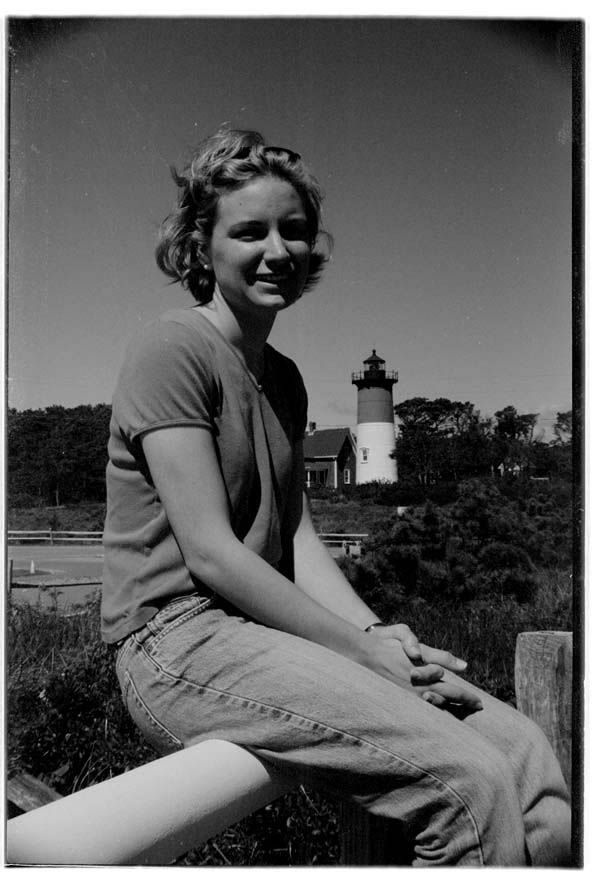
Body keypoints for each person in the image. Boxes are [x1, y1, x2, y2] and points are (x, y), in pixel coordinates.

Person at [101, 127, 570, 866]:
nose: (277, 251)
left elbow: (297, 538)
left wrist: (379, 634)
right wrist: (361, 654)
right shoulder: (172, 348)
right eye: (249, 232)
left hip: (259, 634)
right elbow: (212, 553)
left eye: (293, 231)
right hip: (175, 643)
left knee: (525, 756)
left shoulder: (284, 378)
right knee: (466, 785)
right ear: (201, 245)